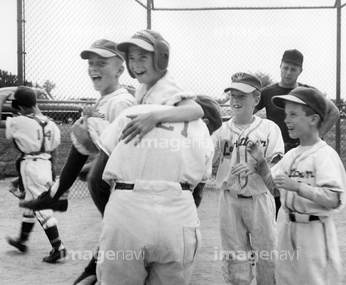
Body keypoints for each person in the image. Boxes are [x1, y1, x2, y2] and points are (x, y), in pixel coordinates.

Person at [21, 30, 204, 212]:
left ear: (160, 59)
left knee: (95, 170)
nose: (135, 64)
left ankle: (60, 194)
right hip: (161, 162)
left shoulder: (166, 86)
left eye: (142, 57)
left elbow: (196, 110)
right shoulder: (144, 87)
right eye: (131, 58)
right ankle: (62, 195)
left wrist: (154, 116)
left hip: (181, 175)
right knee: (95, 167)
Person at [85, 95, 222, 285]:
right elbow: (197, 193)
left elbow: (95, 180)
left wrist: (113, 217)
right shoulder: (199, 129)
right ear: (204, 121)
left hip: (126, 209)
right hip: (177, 215)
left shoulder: (132, 113)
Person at [241, 86, 346, 285]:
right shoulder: (292, 155)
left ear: (313, 119)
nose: (286, 120)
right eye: (286, 114)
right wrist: (261, 162)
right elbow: (274, 188)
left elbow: (333, 198)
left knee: (313, 280)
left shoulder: (324, 155)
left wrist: (298, 187)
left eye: (293, 114)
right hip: (290, 229)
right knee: (285, 279)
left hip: (314, 231)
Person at [19, 39, 136, 212]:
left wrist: (94, 159)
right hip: (112, 187)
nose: (94, 68)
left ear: (119, 70)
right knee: (86, 127)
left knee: (118, 231)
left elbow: (129, 153)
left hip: (124, 191)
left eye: (102, 63)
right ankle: (56, 194)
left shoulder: (121, 103)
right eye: (91, 63)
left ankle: (56, 194)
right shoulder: (105, 100)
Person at [212, 72, 284, 285]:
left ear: (256, 99)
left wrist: (256, 167)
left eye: (242, 96)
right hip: (230, 200)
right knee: (235, 258)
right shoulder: (221, 130)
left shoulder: (269, 128)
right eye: (233, 95)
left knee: (267, 255)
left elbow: (277, 166)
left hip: (259, 199)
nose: (235, 100)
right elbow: (205, 158)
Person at [255, 49, 340, 220]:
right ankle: (280, 237)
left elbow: (334, 112)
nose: (288, 73)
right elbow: (251, 113)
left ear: (300, 71)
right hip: (280, 152)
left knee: (303, 192)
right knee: (276, 196)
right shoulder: (268, 92)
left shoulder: (307, 92)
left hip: (304, 150)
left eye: (293, 69)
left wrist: (317, 135)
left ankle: (305, 229)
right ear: (280, 66)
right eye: (285, 68)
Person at [0, 86, 67, 263]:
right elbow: (54, 152)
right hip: (44, 165)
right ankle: (22, 241)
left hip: (31, 166)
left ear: (21, 108)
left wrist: (2, 97)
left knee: (41, 208)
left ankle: (58, 247)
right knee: (31, 204)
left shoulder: (21, 121)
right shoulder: (51, 123)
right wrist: (52, 174)